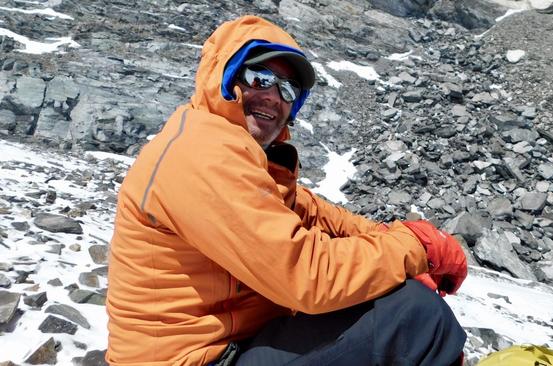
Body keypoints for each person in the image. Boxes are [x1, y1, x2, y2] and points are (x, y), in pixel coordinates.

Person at [106, 15, 468, 366]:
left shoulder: (232, 150)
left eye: (287, 89)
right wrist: (417, 249)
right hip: (197, 359)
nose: (273, 96)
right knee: (415, 316)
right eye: (260, 77)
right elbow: (308, 276)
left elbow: (311, 211)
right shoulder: (201, 153)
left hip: (231, 345)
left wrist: (389, 236)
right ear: (225, 75)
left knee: (387, 296)